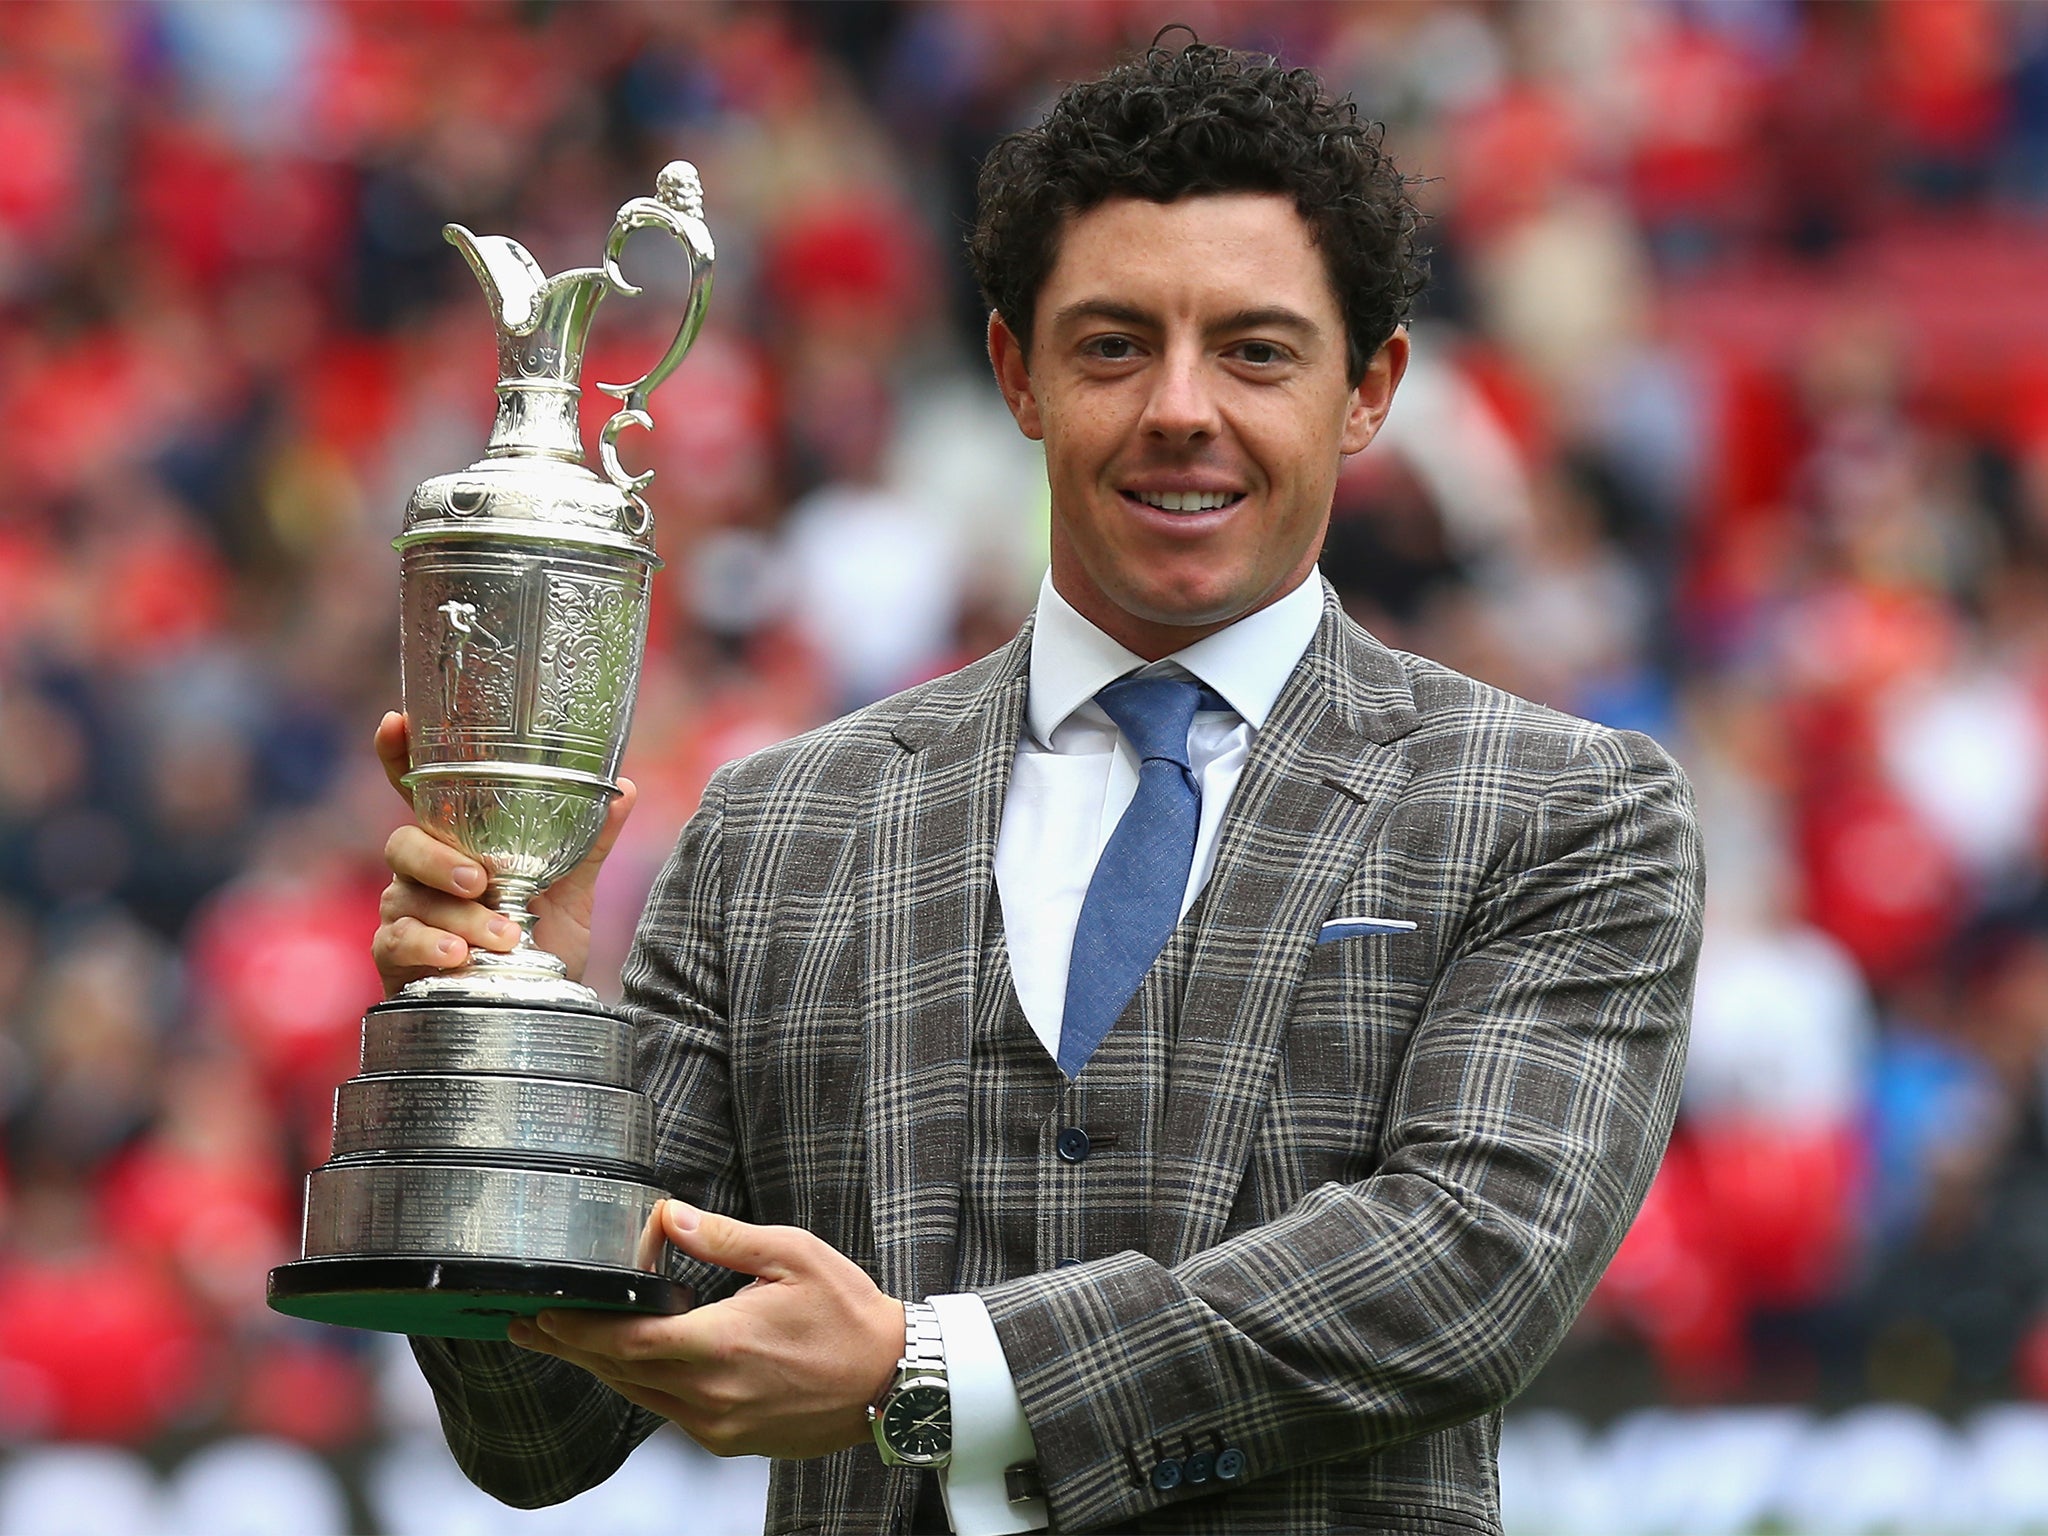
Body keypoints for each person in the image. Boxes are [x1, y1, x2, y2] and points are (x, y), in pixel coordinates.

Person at [373, 40, 1703, 1536]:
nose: (1181, 408)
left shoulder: (1563, 811)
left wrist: (923, 1372)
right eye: (1113, 345)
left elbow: (1465, 1274)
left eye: (1257, 352)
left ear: (1369, 389)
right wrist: (500, 1039)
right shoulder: (772, 833)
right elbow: (540, 1432)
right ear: (1016, 372)